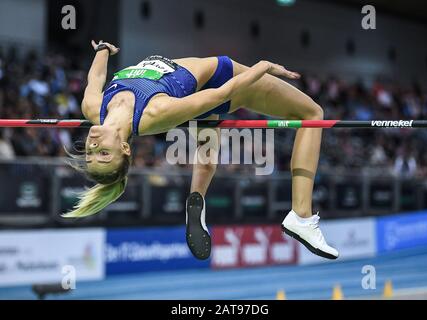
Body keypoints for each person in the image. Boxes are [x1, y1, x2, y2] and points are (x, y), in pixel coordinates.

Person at [64, 40, 339, 261]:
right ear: (124, 148)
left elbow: (96, 77)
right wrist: (261, 67)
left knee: (207, 144)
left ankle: (197, 200)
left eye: (91, 153)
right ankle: (301, 216)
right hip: (221, 80)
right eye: (103, 154)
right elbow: (221, 95)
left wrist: (103, 50)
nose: (94, 146)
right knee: (313, 114)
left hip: (192, 97)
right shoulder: (154, 112)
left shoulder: (93, 109)